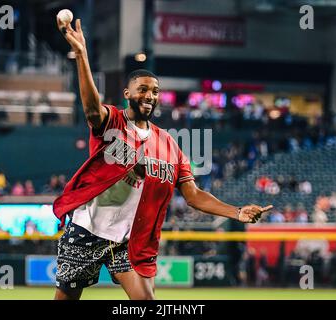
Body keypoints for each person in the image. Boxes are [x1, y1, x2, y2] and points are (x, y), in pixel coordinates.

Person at [53, 16, 273, 300]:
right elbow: (92, 110)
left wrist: (236, 211)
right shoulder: (113, 123)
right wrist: (82, 56)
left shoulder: (170, 146)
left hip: (128, 242)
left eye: (155, 91)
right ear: (127, 93)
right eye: (142, 89)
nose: (149, 95)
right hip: (87, 229)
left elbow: (193, 195)